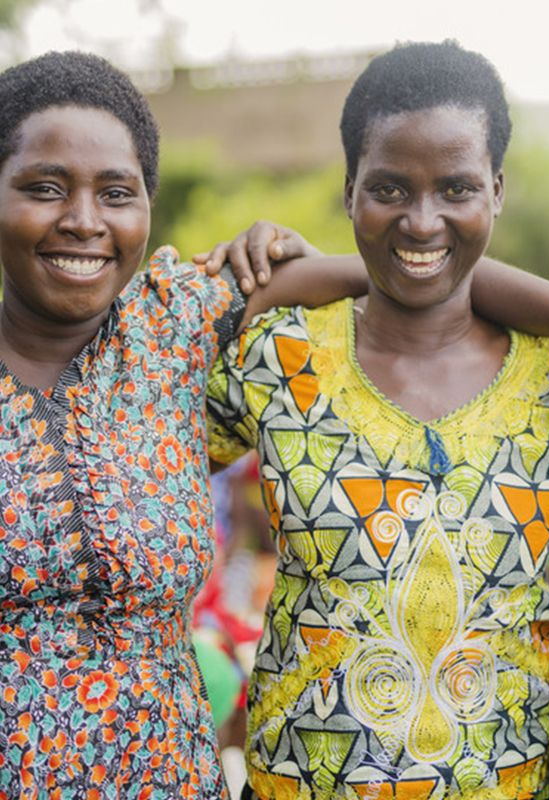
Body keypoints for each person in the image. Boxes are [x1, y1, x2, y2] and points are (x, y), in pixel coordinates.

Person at [205, 39, 549, 799]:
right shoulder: (276, 354)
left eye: (456, 188)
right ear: (349, 192)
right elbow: (133, 429)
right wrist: (299, 278)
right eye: (388, 189)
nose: (421, 220)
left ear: (497, 191)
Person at [0, 49, 368, 797]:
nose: (83, 221)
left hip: (172, 778)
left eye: (117, 193)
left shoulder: (172, 326)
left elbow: (407, 265)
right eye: (44, 188)